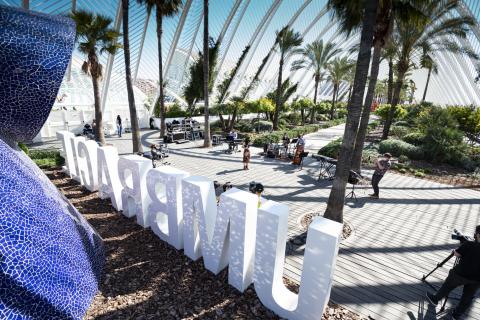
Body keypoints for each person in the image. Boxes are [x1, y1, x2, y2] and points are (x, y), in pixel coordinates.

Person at [426, 226, 480, 319]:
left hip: (460, 274)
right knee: (467, 297)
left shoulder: (469, 245)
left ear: (478, 234)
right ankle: (456, 315)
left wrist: (455, 251)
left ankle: (435, 299)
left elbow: (457, 254)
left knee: (448, 285)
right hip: (477, 279)